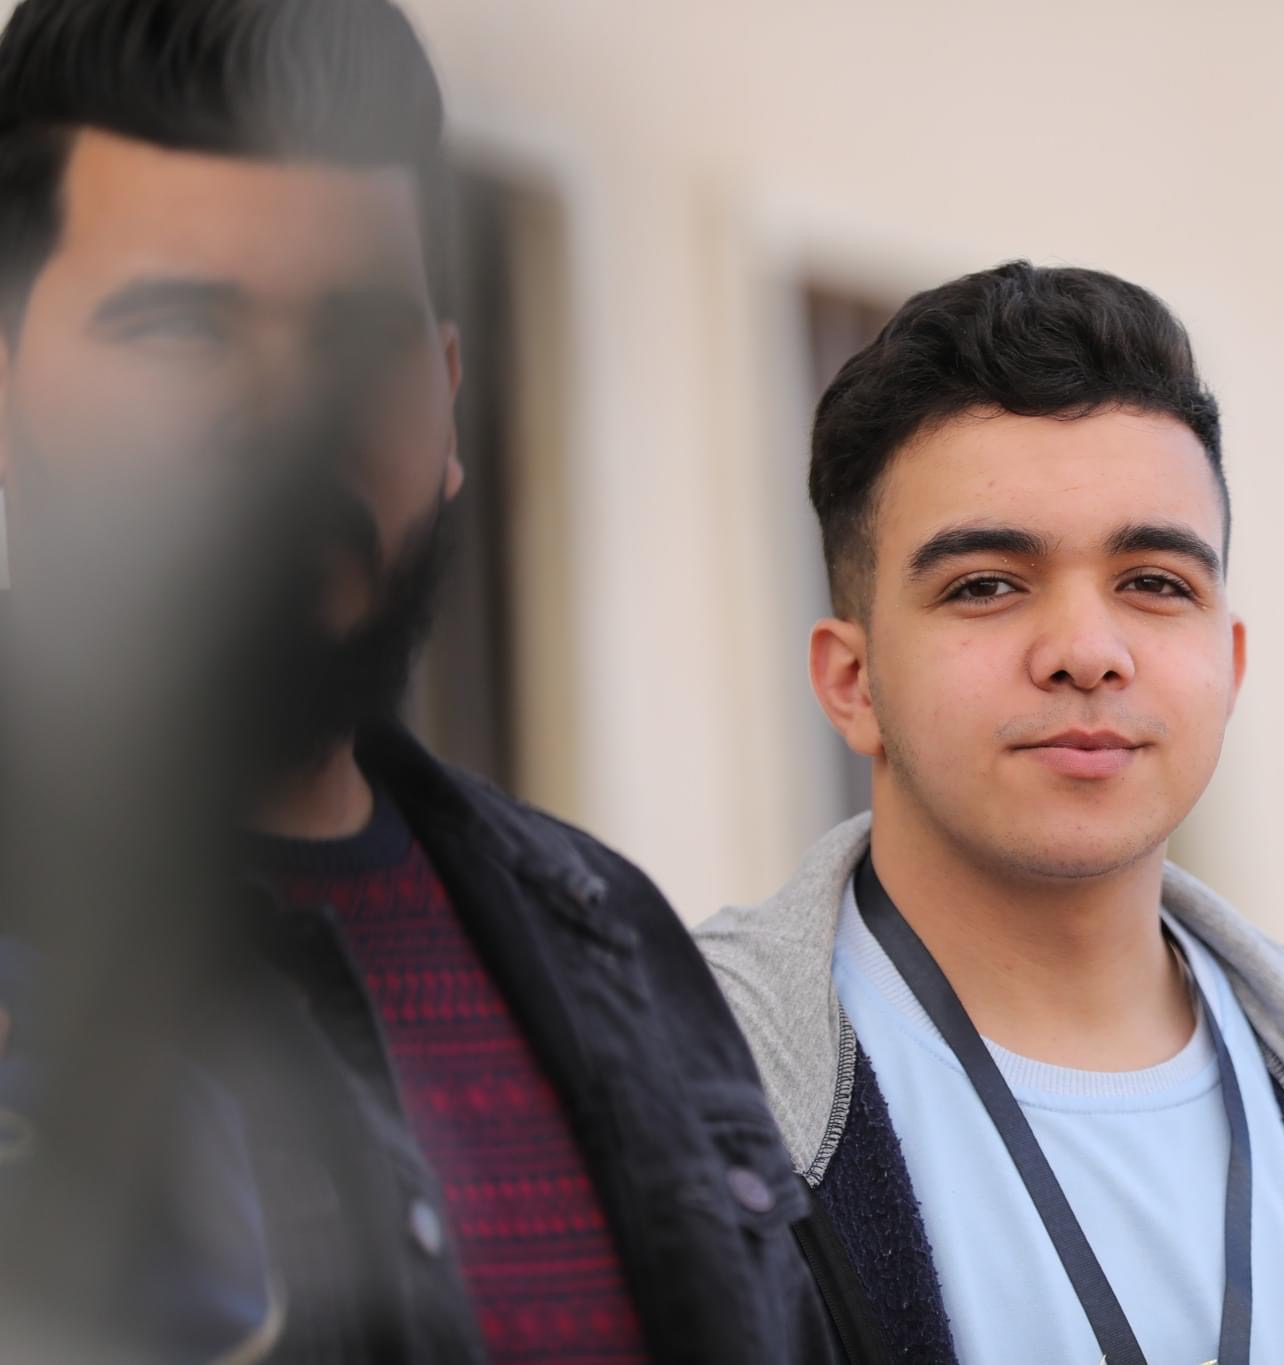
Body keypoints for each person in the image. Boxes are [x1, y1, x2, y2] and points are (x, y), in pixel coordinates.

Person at [0, 0, 831, 1358]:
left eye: (354, 340)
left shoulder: (615, 939)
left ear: (447, 400)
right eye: (182, 328)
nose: (285, 419)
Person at [698, 260, 1284, 1365]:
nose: (1086, 651)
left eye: (1155, 582)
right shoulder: (685, 1090)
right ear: (852, 682)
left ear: (1228, 665)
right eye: (985, 584)